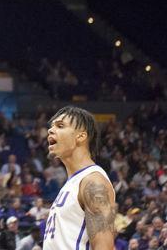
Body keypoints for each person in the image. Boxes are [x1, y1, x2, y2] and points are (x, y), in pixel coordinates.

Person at [43, 106, 116, 250]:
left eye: (60, 126)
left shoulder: (93, 182)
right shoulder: (72, 183)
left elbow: (104, 247)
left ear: (81, 136)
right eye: (51, 126)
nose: (50, 130)